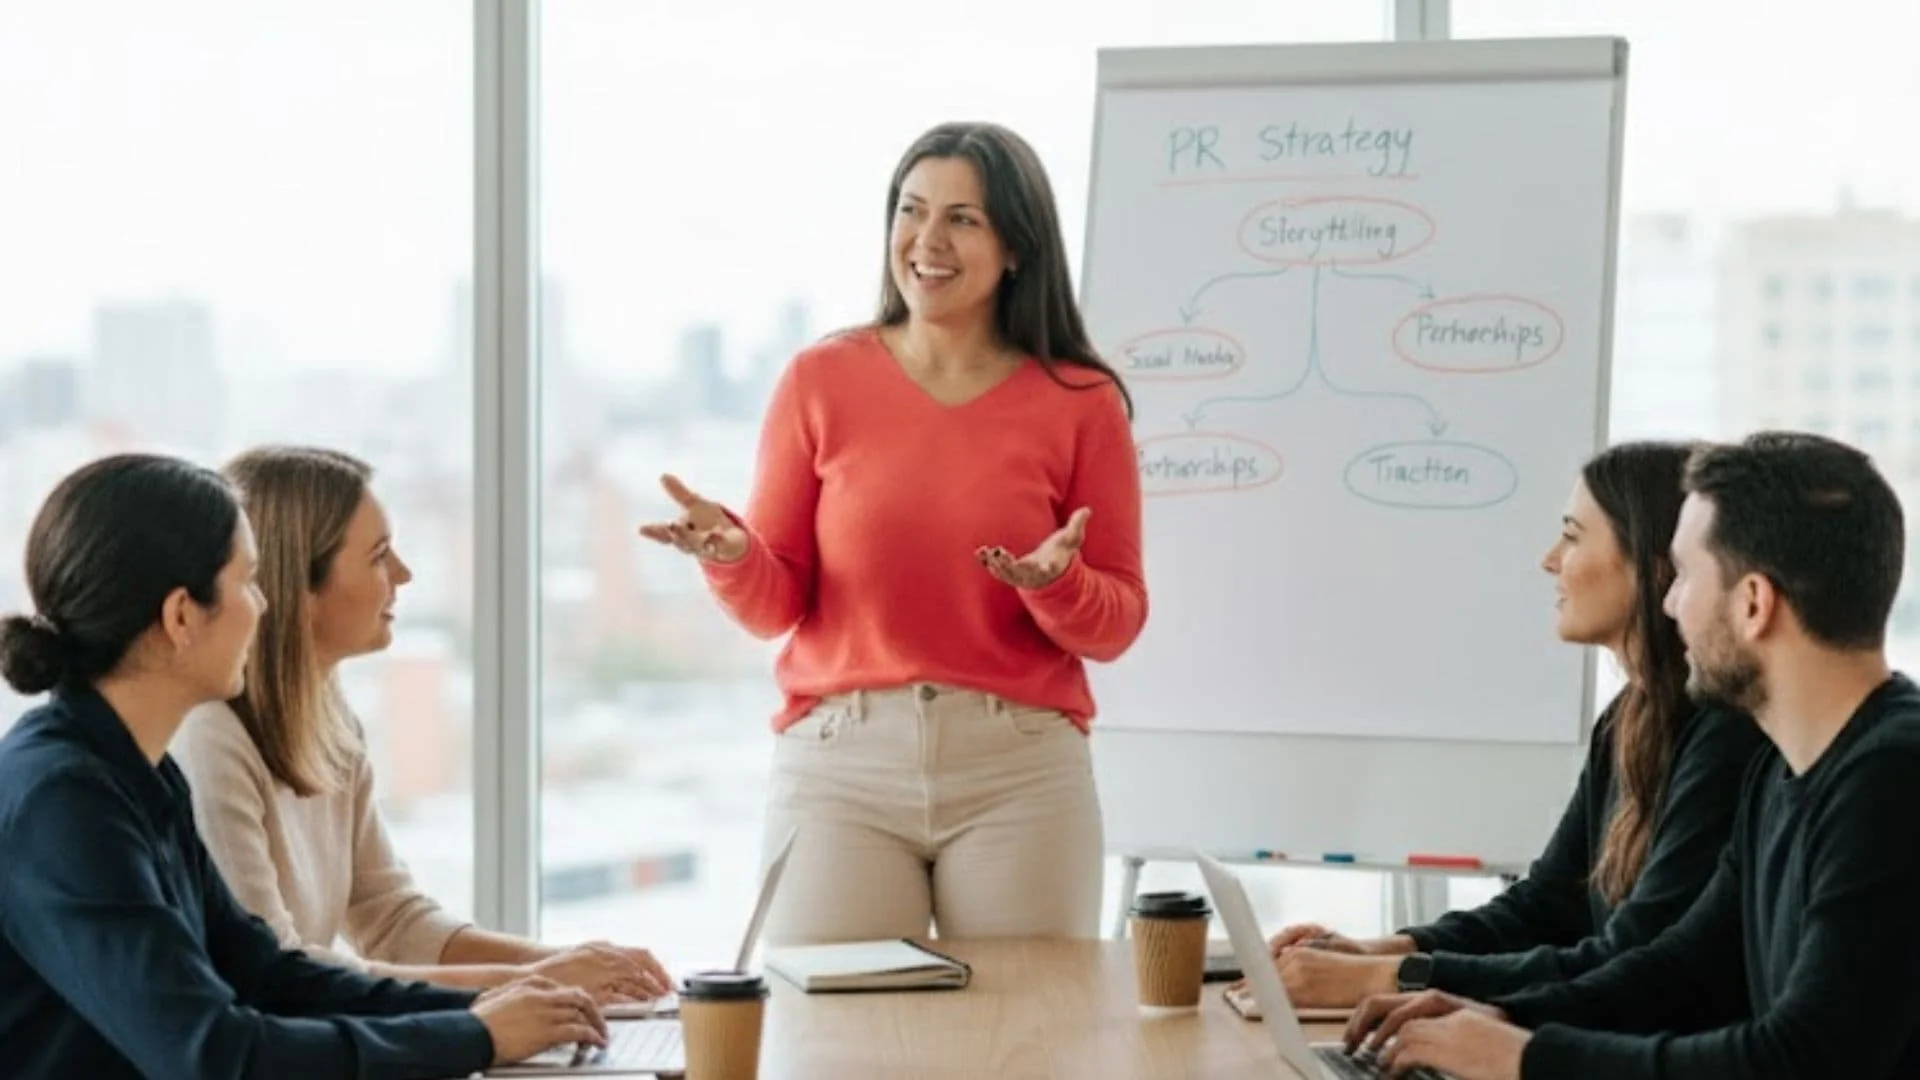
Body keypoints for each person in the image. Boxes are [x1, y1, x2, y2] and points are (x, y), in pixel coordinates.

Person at [637, 120, 1146, 943]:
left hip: (1018, 771)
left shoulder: (1080, 401)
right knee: (838, 1043)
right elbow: (777, 604)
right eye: (911, 211)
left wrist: (1056, 584)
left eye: (962, 219)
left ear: (1017, 246)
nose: (926, 241)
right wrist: (732, 554)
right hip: (843, 767)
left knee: (1025, 1047)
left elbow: (1117, 621)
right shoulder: (820, 380)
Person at [0, 453, 604, 1080]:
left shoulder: (135, 770)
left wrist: (486, 1008)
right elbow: (215, 1055)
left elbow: (268, 974)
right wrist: (474, 1036)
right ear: (181, 616)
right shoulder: (63, 802)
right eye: (250, 583)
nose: (263, 608)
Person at [1344, 431, 1920, 1079]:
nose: (1670, 604)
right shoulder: (1781, 770)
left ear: (1754, 603)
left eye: (1687, 578)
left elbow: (1801, 1058)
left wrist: (1528, 1057)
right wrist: (1501, 1017)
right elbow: (1679, 966)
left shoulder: (1891, 778)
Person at [1253, 442, 1766, 1008]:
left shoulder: (1725, 736)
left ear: (1650, 561)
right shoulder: (1628, 717)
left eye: (1572, 536)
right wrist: (1381, 952)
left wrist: (1395, 977)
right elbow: (1546, 906)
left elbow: (1631, 958)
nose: (1551, 559)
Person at [171, 445, 671, 1003]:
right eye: (379, 555)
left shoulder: (330, 718)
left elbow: (391, 919)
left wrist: (568, 962)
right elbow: (279, 972)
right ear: (302, 589)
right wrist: (534, 983)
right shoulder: (209, 737)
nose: (402, 574)